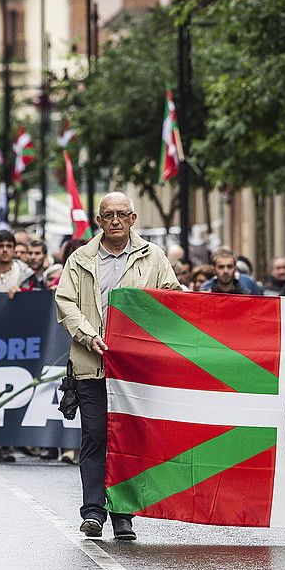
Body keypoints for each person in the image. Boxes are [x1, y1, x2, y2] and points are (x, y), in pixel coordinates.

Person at [55, 192, 180, 541]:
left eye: (121, 214)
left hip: (134, 371)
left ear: (133, 218)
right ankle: (93, 511)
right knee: (95, 436)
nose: (114, 220)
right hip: (91, 364)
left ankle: (123, 514)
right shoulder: (80, 259)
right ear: (98, 221)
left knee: (128, 439)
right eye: (107, 215)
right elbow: (64, 302)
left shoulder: (153, 257)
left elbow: (172, 299)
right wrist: (88, 335)